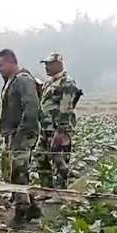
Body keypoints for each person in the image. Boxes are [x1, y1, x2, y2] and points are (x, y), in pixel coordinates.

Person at [0, 49, 43, 228]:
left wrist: (21, 134)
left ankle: (21, 212)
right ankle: (33, 207)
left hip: (21, 134)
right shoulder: (10, 81)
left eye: (0, 65)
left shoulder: (23, 80)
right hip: (13, 133)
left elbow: (31, 108)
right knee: (15, 170)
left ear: (11, 62)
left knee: (18, 172)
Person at [36, 52, 81, 190]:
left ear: (58, 64)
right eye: (45, 64)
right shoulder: (49, 82)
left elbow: (66, 107)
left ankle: (60, 193)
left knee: (59, 160)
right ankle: (47, 190)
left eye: (49, 64)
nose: (46, 67)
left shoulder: (67, 82)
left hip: (59, 129)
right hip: (46, 128)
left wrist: (61, 130)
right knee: (40, 156)